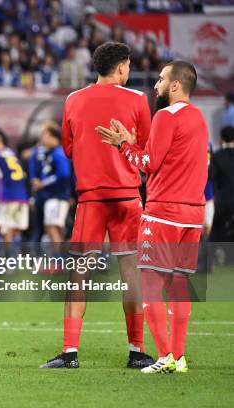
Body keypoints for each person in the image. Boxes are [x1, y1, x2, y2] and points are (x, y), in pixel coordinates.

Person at [41, 42, 154, 369]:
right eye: (129, 66)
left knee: (79, 275)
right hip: (127, 197)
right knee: (132, 274)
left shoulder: (73, 99)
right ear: (121, 67)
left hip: (90, 199)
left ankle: (69, 352)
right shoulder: (136, 99)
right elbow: (145, 149)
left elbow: (68, 148)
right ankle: (136, 351)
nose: (128, 71)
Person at [98, 60, 208, 374]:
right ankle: (180, 356)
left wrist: (123, 145)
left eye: (161, 80)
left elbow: (148, 162)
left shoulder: (165, 115)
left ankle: (164, 357)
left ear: (175, 85)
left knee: (150, 285)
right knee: (178, 285)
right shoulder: (199, 118)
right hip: (191, 216)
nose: (156, 85)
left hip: (163, 214)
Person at [29, 123, 71, 258]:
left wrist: (43, 183)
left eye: (45, 135)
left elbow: (64, 174)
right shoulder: (49, 153)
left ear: (54, 138)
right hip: (52, 196)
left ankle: (60, 259)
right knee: (52, 227)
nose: (43, 139)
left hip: (58, 196)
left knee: (52, 226)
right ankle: (60, 258)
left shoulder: (59, 153)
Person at [209, 126, 234, 243]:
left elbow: (210, 176)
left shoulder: (217, 156)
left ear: (222, 139)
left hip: (222, 203)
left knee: (218, 235)